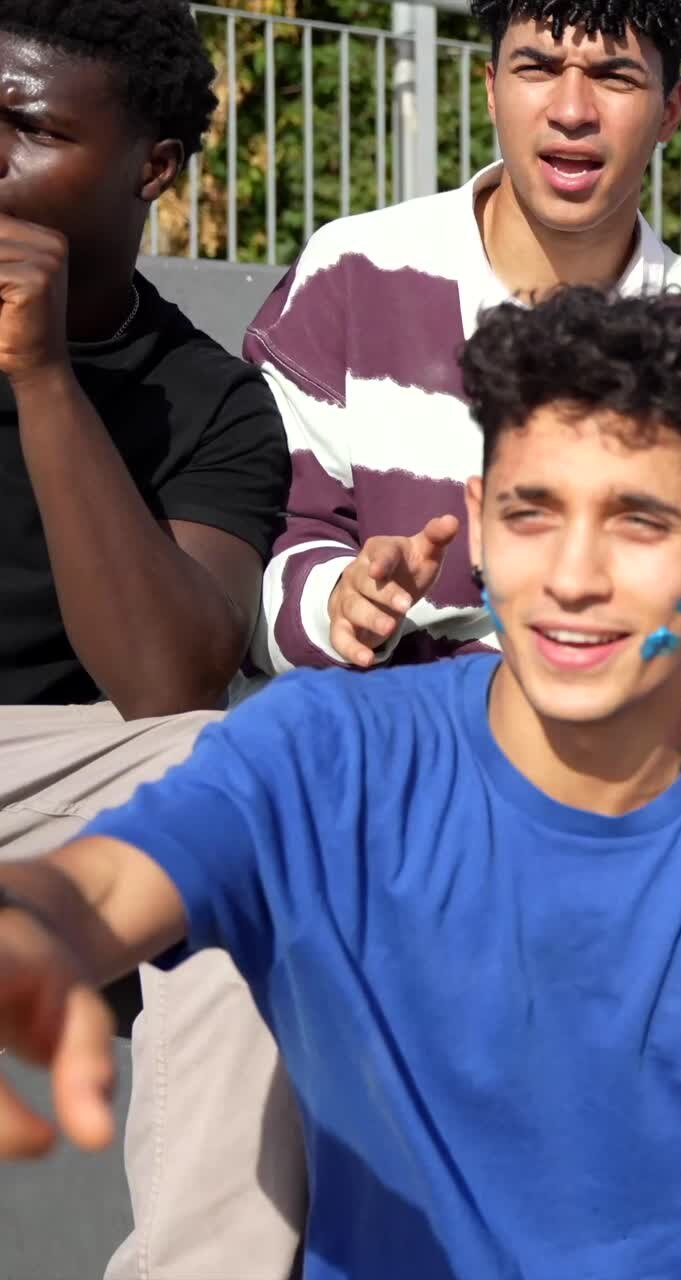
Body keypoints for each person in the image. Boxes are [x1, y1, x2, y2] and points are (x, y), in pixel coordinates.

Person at [2, 287, 681, 1279]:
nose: (574, 575)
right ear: (475, 518)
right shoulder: (333, 757)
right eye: (531, 512)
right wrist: (30, 933)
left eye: (642, 523)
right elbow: (102, 882)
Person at [0, 3, 303, 1279]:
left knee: (240, 789)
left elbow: (171, 683)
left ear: (153, 166)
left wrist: (43, 377)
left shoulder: (209, 398)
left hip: (48, 785)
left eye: (26, 129)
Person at [245, 0, 681, 686]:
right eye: (539, 67)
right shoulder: (354, 271)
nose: (572, 109)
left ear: (671, 111)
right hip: (385, 748)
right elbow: (252, 572)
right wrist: (340, 603)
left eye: (615, 77)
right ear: (491, 87)